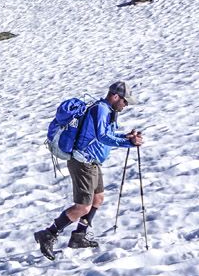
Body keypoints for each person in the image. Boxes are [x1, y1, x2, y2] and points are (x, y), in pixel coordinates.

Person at [34, 80, 142, 260]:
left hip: (92, 162)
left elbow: (105, 135)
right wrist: (127, 143)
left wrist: (126, 137)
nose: (126, 105)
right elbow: (102, 137)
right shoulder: (101, 109)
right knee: (83, 207)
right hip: (83, 163)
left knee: (98, 198)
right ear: (115, 96)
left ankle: (79, 236)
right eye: (125, 101)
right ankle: (48, 234)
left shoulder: (107, 110)